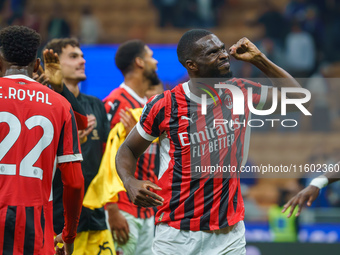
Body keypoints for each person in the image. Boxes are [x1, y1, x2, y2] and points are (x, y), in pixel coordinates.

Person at [115, 29, 305, 254]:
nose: (224, 55)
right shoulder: (165, 105)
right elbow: (127, 149)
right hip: (176, 236)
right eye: (213, 52)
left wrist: (259, 59)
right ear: (192, 65)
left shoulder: (240, 92)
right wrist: (129, 181)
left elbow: (298, 100)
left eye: (223, 48)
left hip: (229, 234)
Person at [0, 25, 84, 255]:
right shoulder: (60, 105)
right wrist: (68, 233)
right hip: (35, 228)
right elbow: (75, 183)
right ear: (37, 65)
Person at [44, 38, 114, 254]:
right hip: (59, 222)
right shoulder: (47, 104)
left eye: (82, 56)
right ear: (55, 63)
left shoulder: (96, 105)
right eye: (73, 57)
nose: (82, 61)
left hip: (96, 219)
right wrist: (72, 143)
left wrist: (112, 207)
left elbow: (105, 161)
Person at [103, 40, 161, 255]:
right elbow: (102, 159)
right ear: (139, 62)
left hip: (146, 212)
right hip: (123, 210)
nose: (155, 61)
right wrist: (111, 208)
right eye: (150, 56)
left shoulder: (150, 105)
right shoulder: (116, 103)